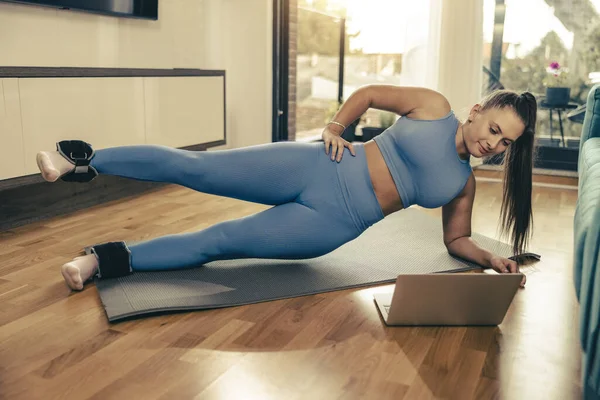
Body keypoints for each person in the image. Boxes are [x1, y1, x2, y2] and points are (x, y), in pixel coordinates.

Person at [36, 85, 536, 291]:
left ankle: (100, 260)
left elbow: (455, 241)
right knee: (198, 167)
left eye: (506, 143)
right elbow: (366, 95)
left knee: (220, 242)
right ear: (477, 110)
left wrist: (489, 259)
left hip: (334, 224)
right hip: (318, 165)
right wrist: (335, 127)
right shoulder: (433, 105)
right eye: (494, 129)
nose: (494, 144)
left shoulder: (462, 184)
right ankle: (79, 159)